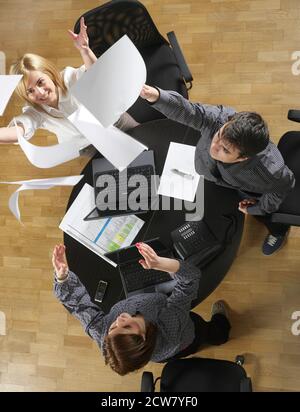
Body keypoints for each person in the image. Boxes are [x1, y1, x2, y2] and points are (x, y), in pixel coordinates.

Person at [140, 85, 295, 256]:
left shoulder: (270, 171)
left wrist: (257, 209)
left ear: (243, 157)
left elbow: (283, 187)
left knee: (265, 215)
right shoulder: (220, 119)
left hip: (248, 188)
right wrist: (157, 96)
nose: (214, 147)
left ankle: (278, 231)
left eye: (225, 150)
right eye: (219, 135)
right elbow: (190, 111)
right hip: (211, 174)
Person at [52, 242, 231, 376]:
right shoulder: (170, 327)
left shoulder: (107, 338)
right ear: (145, 337)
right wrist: (161, 264)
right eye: (128, 327)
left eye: (113, 328)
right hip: (186, 336)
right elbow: (190, 279)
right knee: (206, 332)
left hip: (160, 345)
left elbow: (79, 306)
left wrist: (63, 277)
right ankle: (221, 331)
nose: (118, 320)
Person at [0, 17, 138, 153]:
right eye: (30, 91)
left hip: (114, 123)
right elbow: (19, 129)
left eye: (40, 82)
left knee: (147, 145)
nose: (40, 93)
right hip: (87, 146)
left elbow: (96, 75)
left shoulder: (68, 77)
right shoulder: (35, 111)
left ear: (49, 73)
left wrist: (84, 50)